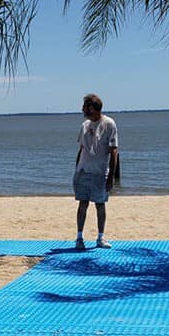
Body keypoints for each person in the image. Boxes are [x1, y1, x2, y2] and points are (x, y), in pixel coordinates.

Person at [73, 93, 118, 249]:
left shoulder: (109, 124)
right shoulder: (85, 125)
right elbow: (81, 149)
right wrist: (76, 170)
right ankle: (79, 238)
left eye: (85, 107)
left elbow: (114, 151)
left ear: (92, 108)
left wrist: (111, 176)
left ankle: (100, 237)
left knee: (100, 205)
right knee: (82, 203)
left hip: (100, 172)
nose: (83, 109)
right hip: (83, 172)